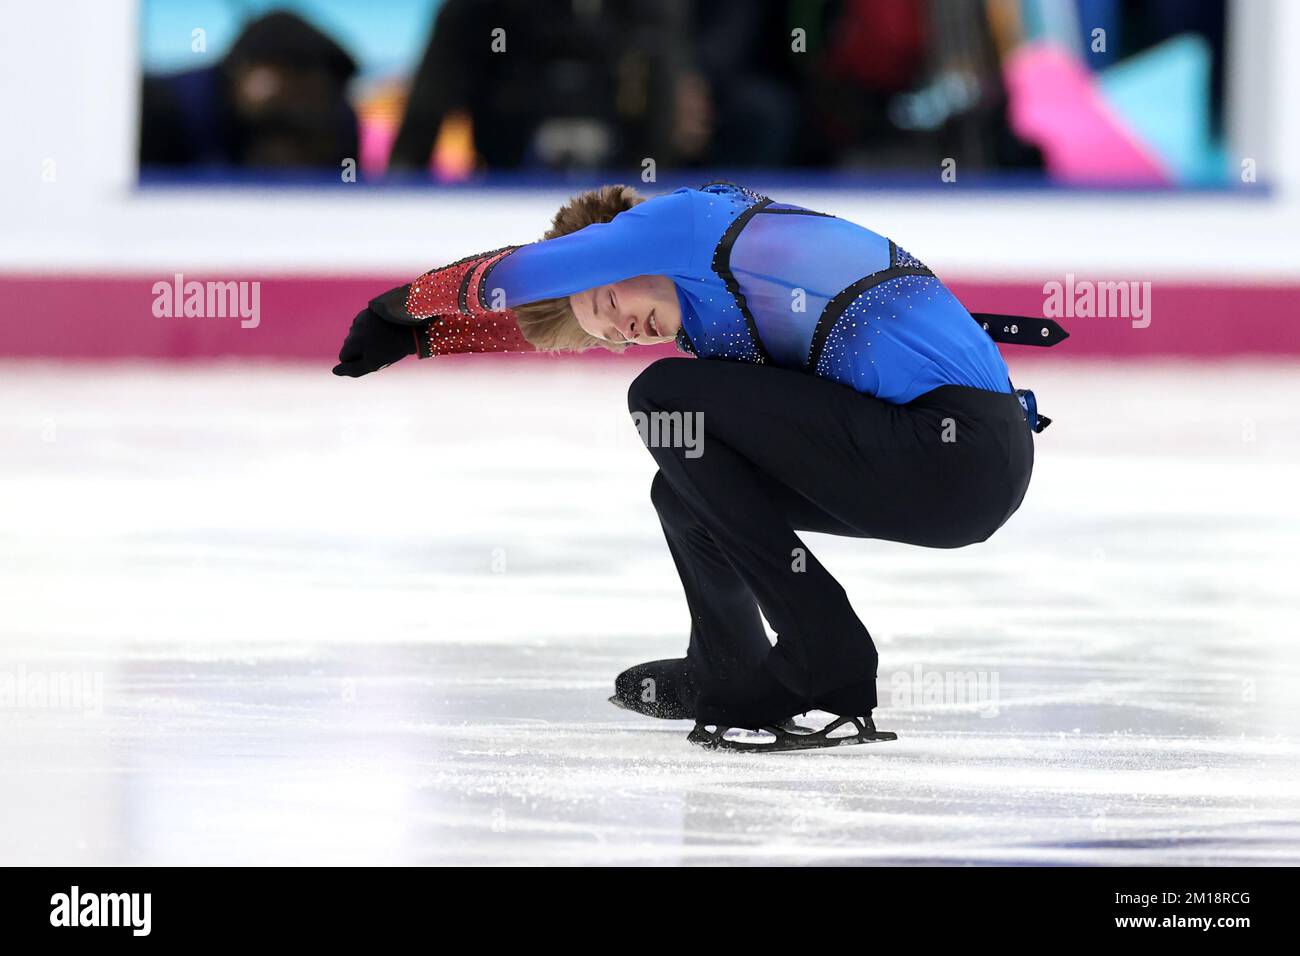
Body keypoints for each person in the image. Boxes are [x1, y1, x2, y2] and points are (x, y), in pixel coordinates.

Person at [332, 182, 1060, 752]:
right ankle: (732, 671)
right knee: (679, 480)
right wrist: (430, 344)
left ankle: (823, 650)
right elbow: (537, 312)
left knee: (660, 396)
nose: (625, 328)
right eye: (609, 334)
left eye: (607, 300)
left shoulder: (681, 225)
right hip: (953, 469)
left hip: (953, 446)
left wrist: (398, 309)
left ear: (608, 254)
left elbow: (520, 275)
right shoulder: (712, 318)